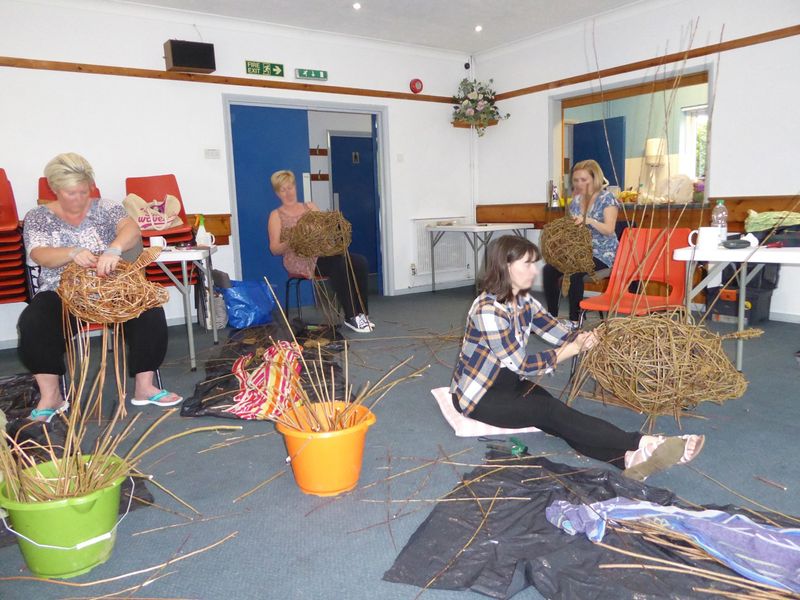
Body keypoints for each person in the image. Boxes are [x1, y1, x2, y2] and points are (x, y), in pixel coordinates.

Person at [450, 235, 704, 480]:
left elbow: (555, 329)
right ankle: (645, 442)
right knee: (549, 410)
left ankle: (625, 460)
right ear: (505, 267)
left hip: (510, 385)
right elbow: (522, 364)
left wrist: (586, 337)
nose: (534, 270)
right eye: (527, 264)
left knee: (559, 417)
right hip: (480, 397)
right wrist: (571, 350)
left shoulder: (523, 301)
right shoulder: (487, 310)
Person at [18, 152, 181, 422]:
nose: (80, 198)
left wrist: (114, 248)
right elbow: (39, 254)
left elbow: (131, 230)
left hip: (112, 289)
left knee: (149, 309)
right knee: (34, 321)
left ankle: (145, 386)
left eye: (85, 191)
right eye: (71, 193)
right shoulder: (38, 216)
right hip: (63, 292)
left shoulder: (106, 207)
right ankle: (52, 396)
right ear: (56, 189)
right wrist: (71, 252)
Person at [267, 169, 372, 333]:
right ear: (277, 193)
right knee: (339, 263)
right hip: (298, 259)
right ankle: (351, 316)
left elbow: (325, 231)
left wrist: (334, 228)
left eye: (290, 187)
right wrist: (294, 238)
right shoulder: (276, 215)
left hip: (321, 254)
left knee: (359, 261)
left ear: (296, 187)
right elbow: (274, 249)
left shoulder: (310, 207)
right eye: (283, 189)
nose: (288, 192)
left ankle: (362, 314)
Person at [543, 159, 620, 326]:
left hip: (604, 253)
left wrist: (589, 221)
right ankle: (551, 319)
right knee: (549, 269)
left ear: (595, 179)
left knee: (574, 270)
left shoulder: (607, 198)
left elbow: (609, 229)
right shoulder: (575, 202)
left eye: (584, 180)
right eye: (576, 180)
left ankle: (575, 319)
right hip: (581, 251)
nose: (579, 184)